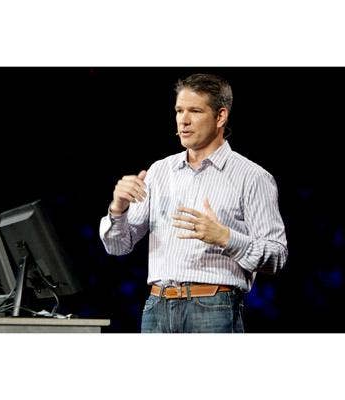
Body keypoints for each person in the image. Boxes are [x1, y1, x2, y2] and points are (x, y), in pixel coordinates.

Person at [99, 73, 288, 333]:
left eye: (195, 111)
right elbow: (118, 246)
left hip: (213, 307)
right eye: (179, 110)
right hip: (157, 306)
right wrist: (118, 208)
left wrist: (225, 237)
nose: (183, 120)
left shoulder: (252, 177)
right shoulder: (159, 171)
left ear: (220, 117)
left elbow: (277, 255)